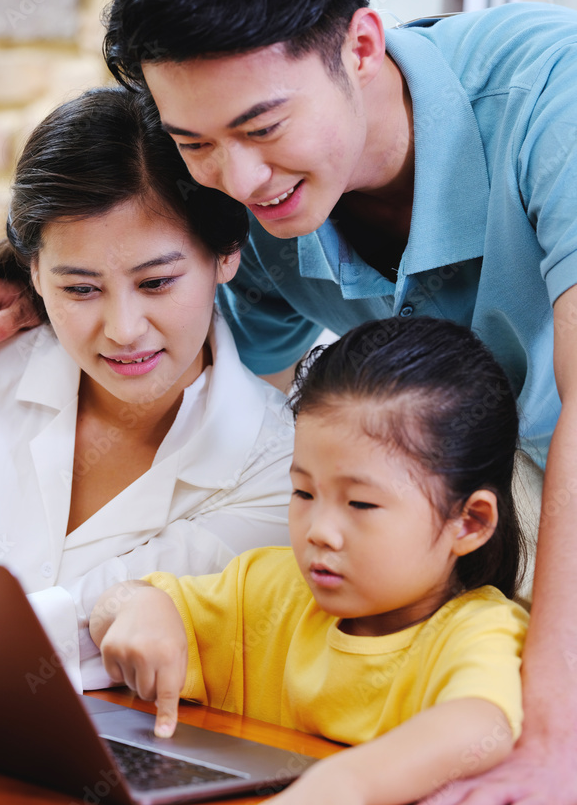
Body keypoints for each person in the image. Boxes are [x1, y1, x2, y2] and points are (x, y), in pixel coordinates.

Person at [0, 0, 577, 803]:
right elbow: (170, 317)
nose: (241, 183)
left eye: (262, 126)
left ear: (362, 45)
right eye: (195, 142)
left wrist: (552, 736)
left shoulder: (551, 89)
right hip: (463, 498)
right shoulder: (247, 215)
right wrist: (40, 279)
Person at [0, 86, 294, 690]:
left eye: (156, 283)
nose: (124, 330)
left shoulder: (277, 467)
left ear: (227, 255)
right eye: (80, 289)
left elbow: (100, 636)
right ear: (31, 271)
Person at [90, 317, 529, 805]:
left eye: (360, 504)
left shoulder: (480, 630)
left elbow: (480, 722)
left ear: (468, 522)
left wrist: (344, 783)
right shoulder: (265, 587)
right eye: (303, 492)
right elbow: (119, 607)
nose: (319, 529)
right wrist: (137, 605)